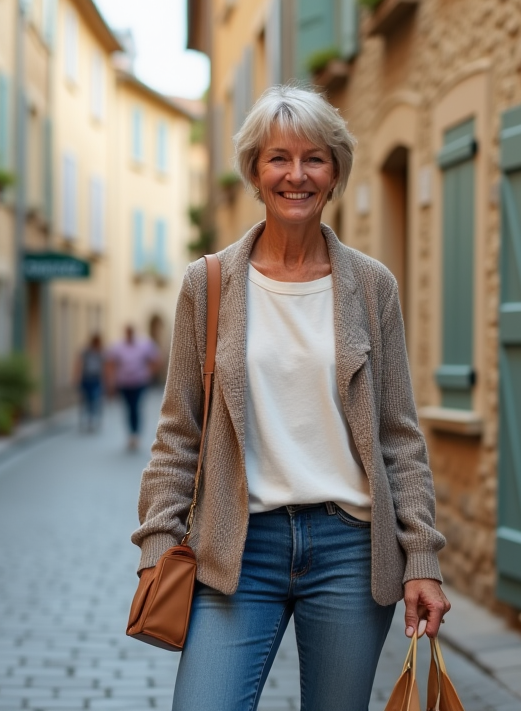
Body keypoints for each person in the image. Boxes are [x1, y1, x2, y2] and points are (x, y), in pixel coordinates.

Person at [132, 85, 449, 710]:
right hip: (236, 547)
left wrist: (422, 560)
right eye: (278, 158)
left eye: (314, 159)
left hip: (349, 551)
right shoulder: (210, 284)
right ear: (254, 171)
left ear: (334, 173)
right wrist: (156, 545)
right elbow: (178, 432)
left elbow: (399, 436)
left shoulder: (372, 287)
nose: (296, 175)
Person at [106, 325, 161, 452]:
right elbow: (110, 363)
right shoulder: (118, 346)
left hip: (139, 382)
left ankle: (135, 434)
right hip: (124, 383)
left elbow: (157, 359)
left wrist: (149, 373)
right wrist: (111, 382)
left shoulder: (144, 344)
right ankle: (131, 433)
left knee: (136, 407)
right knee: (128, 407)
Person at [74, 333, 105, 432]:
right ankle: (86, 419)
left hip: (96, 379)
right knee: (86, 400)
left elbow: (105, 366)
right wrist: (77, 378)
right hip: (86, 379)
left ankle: (93, 419)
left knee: (95, 399)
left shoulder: (101, 352)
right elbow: (79, 364)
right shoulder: (85, 352)